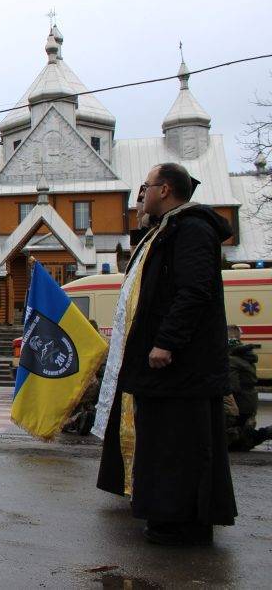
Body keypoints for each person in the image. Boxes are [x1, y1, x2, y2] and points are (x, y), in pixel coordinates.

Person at [96, 163, 236, 546]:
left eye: (147, 187)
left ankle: (179, 522)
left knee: (179, 447)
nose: (141, 195)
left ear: (167, 189)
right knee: (165, 444)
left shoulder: (191, 230)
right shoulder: (168, 229)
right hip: (173, 372)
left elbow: (193, 292)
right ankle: (169, 517)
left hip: (181, 368)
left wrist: (166, 342)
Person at [224, 325, 271, 451]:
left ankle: (249, 435)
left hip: (240, 404)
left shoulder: (231, 360)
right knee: (243, 438)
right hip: (249, 403)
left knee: (233, 443)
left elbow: (232, 388)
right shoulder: (245, 356)